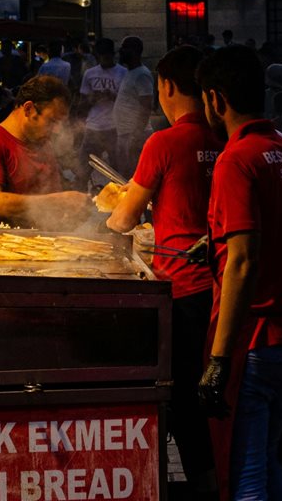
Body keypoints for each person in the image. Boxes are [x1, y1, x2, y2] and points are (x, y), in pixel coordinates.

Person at [193, 45, 282, 500]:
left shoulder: (237, 159)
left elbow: (245, 262)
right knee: (266, 463)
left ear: (215, 99)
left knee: (244, 478)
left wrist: (218, 361)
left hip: (256, 344)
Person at [106, 46, 220, 497]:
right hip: (223, 288)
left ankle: (201, 486)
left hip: (183, 289)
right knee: (212, 397)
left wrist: (116, 214)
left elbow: (123, 218)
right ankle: (217, 479)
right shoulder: (223, 137)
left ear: (167, 87)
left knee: (183, 400)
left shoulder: (165, 142)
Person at [0, 76, 89, 228]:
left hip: (46, 241)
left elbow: (50, 194)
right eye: (52, 121)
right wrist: (61, 201)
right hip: (6, 245)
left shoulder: (43, 144)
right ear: (29, 109)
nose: (57, 130)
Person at [78, 38, 126, 187]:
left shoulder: (123, 73)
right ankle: (78, 201)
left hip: (114, 127)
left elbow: (128, 101)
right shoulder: (90, 73)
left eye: (108, 56)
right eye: (102, 56)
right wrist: (94, 98)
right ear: (98, 56)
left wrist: (113, 96)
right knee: (83, 169)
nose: (105, 59)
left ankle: (119, 203)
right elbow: (83, 102)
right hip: (93, 127)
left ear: (113, 55)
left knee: (118, 172)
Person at [113, 36, 155, 177]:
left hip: (134, 135)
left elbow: (146, 106)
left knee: (133, 176)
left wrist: (136, 136)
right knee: (124, 175)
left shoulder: (142, 74)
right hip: (125, 133)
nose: (120, 52)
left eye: (124, 49)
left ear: (134, 51)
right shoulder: (130, 72)